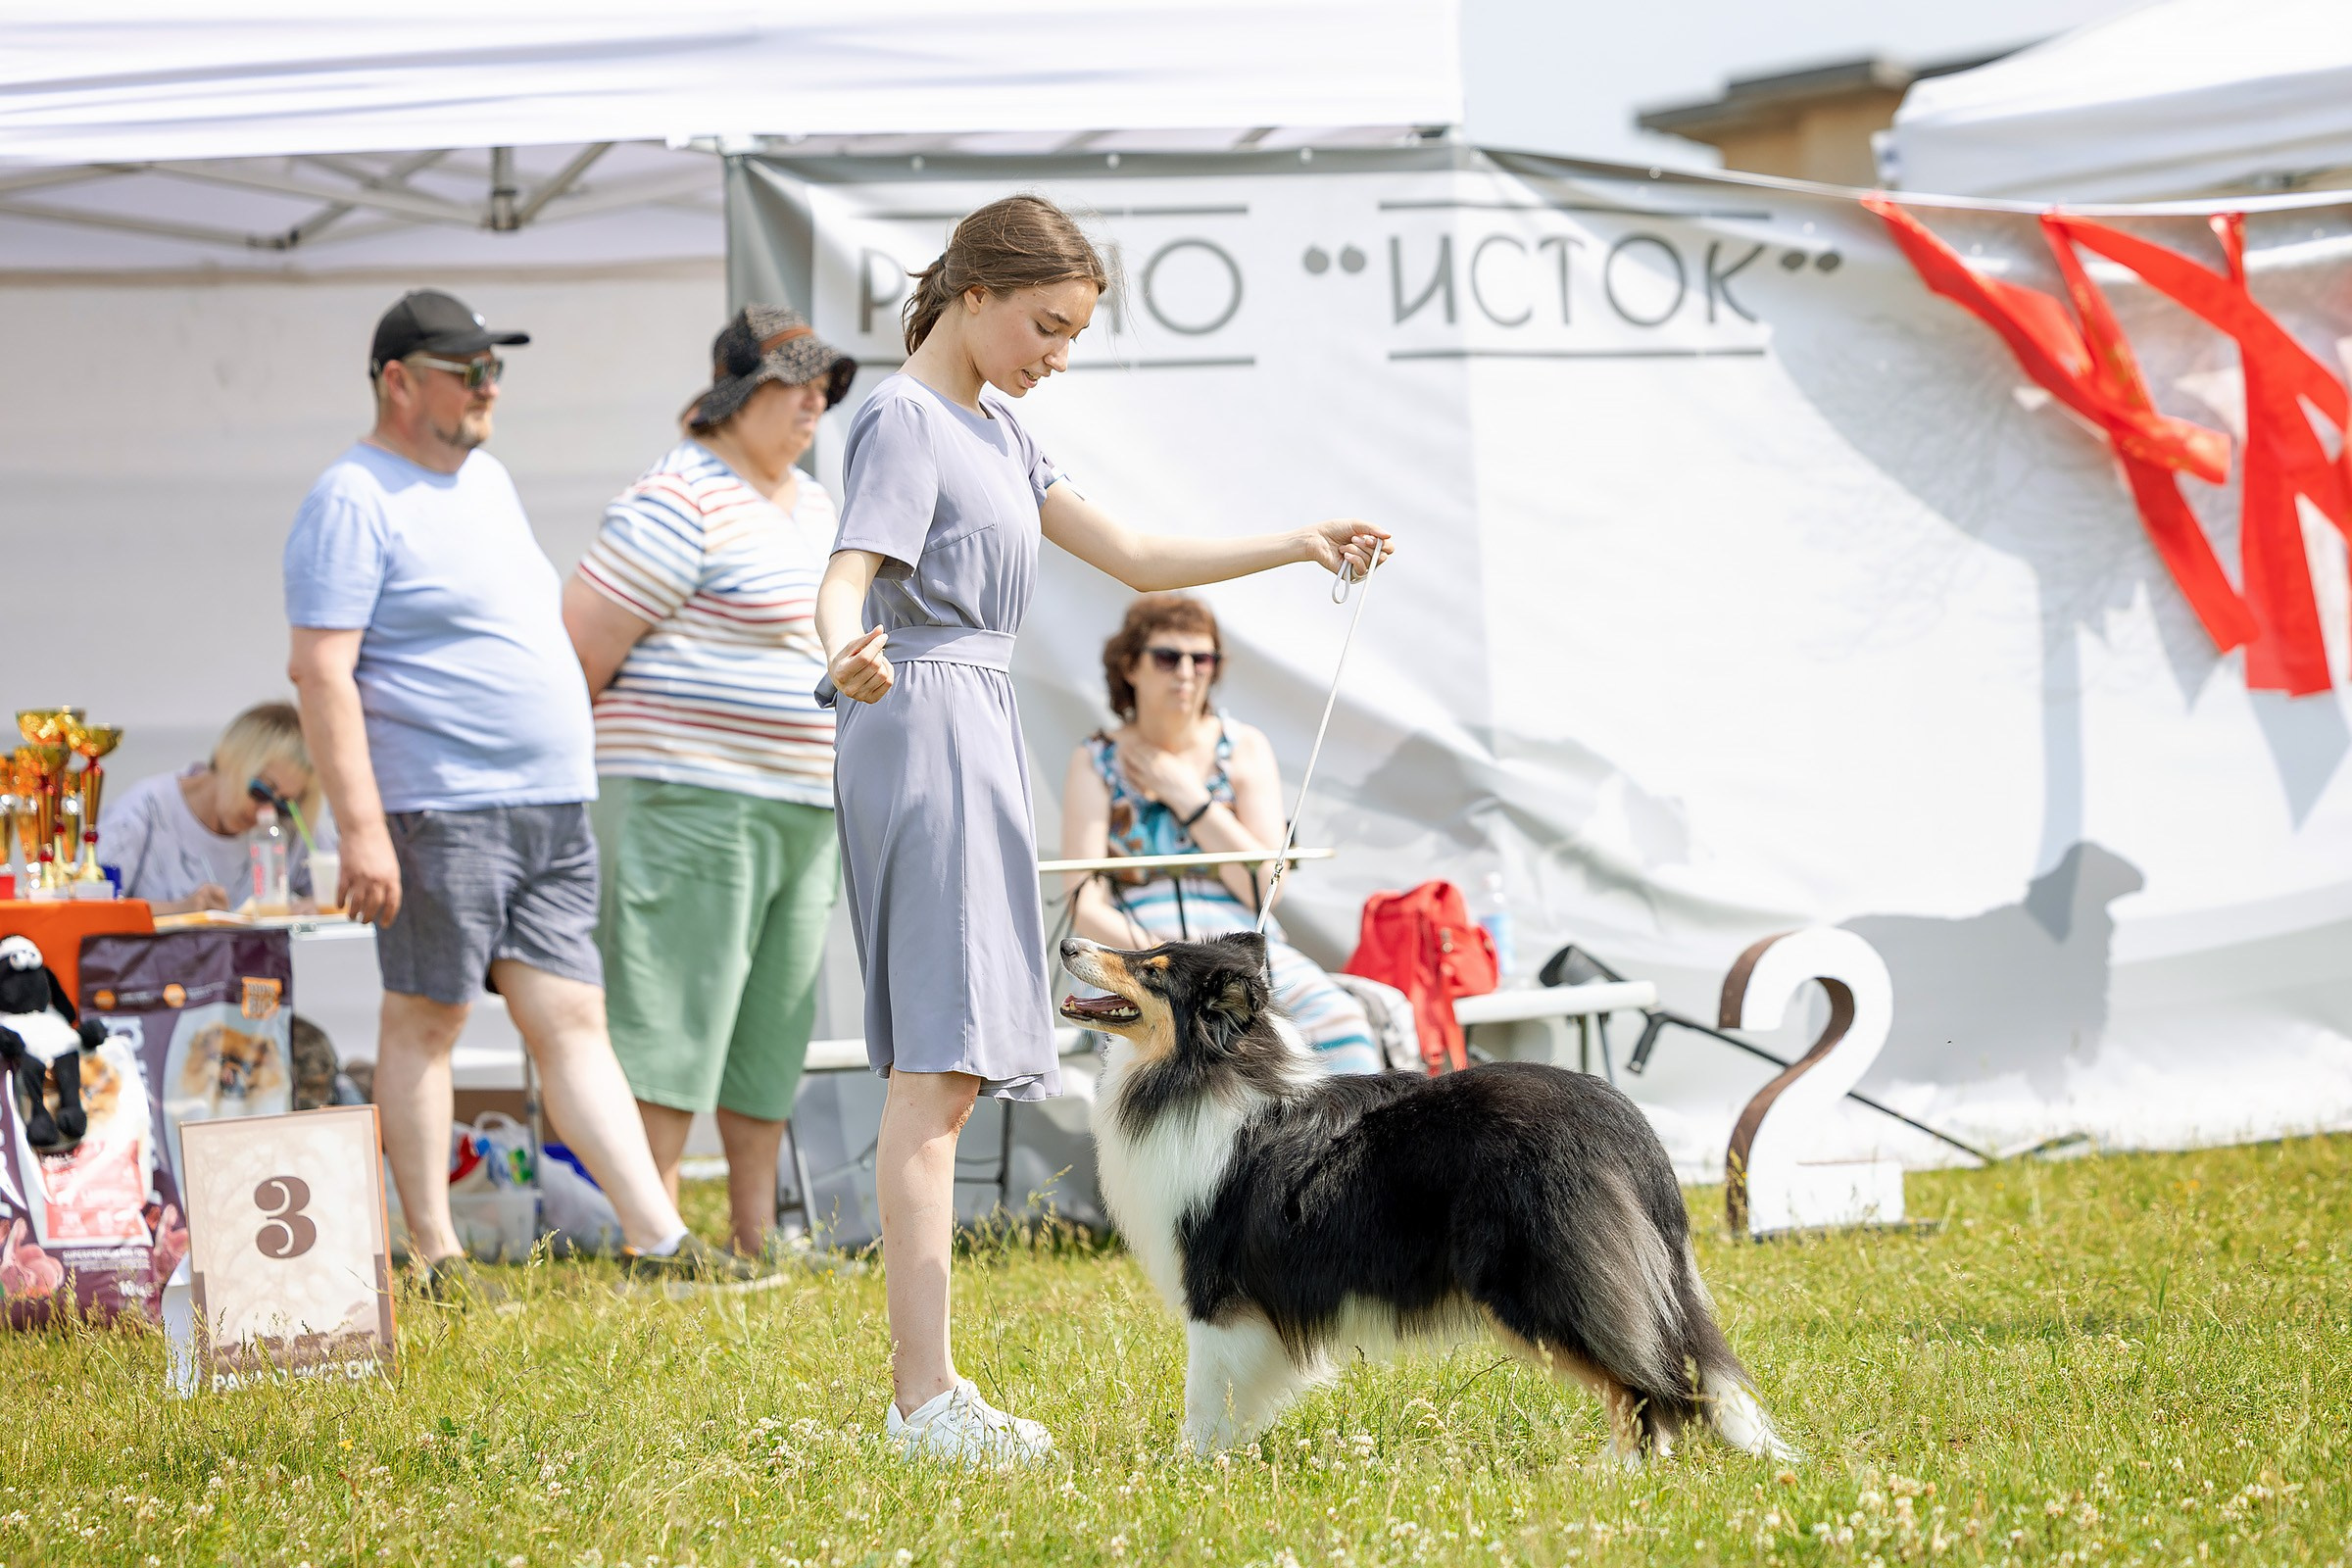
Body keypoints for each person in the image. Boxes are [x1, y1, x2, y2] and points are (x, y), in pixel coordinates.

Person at [815, 195, 1392, 1463]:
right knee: (938, 1071)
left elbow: (1134, 554)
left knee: (951, 1070)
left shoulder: (1001, 427)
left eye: (1072, 334)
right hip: (915, 723)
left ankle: (932, 1392)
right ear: (973, 295)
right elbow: (850, 572)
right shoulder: (904, 419)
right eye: (1046, 326)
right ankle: (923, 1402)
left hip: (969, 724)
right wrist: (843, 653)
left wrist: (1298, 542)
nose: (1057, 355)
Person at [282, 287, 779, 1300]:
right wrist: (363, 831)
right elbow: (321, 671)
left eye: (494, 370)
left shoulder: (489, 478)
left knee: (574, 1020)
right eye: (469, 372)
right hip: (440, 807)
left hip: (548, 800)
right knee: (430, 1019)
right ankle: (432, 1254)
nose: (489, 387)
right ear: (398, 380)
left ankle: (657, 1237)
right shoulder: (352, 495)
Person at [562, 305, 856, 1257]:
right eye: (794, 380)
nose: (815, 398)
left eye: (824, 382)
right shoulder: (674, 496)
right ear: (736, 396)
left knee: (772, 1023)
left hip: (803, 804)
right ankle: (653, 1240)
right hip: (685, 799)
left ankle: (753, 1234)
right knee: (671, 1023)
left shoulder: (814, 504)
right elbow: (575, 659)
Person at [1059, 595, 1383, 1075]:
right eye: (1167, 657)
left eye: (1202, 658)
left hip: (1238, 941)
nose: (1187, 672)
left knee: (1342, 1023)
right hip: (1138, 943)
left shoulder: (1245, 747)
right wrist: (1152, 956)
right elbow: (1083, 901)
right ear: (1130, 666)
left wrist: (1186, 796)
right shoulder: (1096, 759)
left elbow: (1264, 886)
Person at [97, 702, 321, 915]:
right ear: (231, 759)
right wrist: (181, 910)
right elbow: (90, 908)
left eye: (284, 805)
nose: (267, 812)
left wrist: (319, 905)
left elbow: (344, 885)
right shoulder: (145, 810)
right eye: (261, 791)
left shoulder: (286, 828)